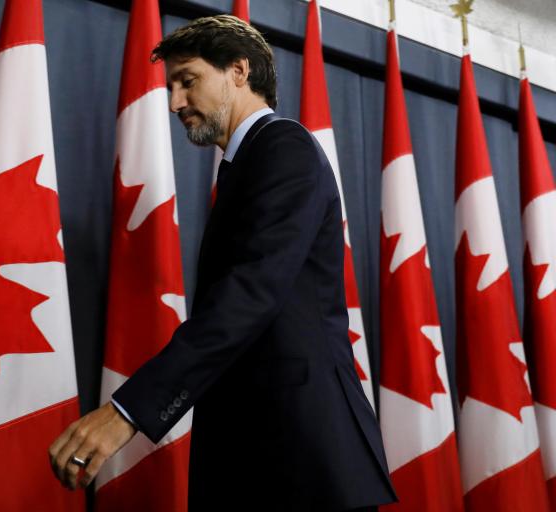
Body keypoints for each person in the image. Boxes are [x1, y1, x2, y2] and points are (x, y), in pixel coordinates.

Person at [50, 15, 396, 511]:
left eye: (187, 81)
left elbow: (251, 293)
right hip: (261, 450)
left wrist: (127, 412)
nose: (174, 103)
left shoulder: (283, 146)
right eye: (171, 87)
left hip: (302, 450)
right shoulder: (249, 163)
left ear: (239, 70)